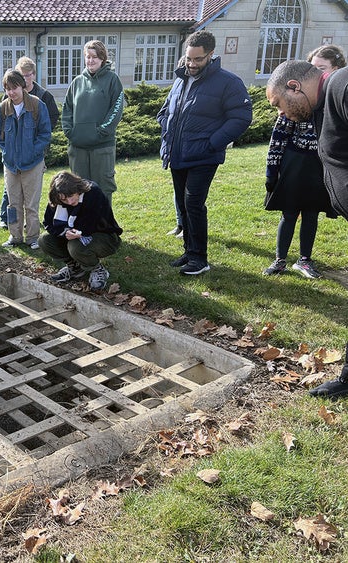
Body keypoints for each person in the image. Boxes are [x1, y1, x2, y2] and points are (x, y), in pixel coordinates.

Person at [266, 60, 348, 398]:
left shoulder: (342, 86)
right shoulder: (322, 104)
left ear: (294, 87)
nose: (282, 113)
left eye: (279, 103)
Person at [157, 30, 252, 275]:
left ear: (211, 55)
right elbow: (168, 108)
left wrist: (213, 143)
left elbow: (241, 118)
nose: (191, 64)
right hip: (177, 154)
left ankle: (200, 259)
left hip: (204, 156)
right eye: (188, 58)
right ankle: (189, 251)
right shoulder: (181, 78)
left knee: (194, 203)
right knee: (183, 203)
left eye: (197, 59)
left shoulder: (228, 82)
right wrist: (164, 127)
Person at [262, 46, 345, 278]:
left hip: (317, 167)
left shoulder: (336, 97)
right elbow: (278, 139)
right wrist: (272, 170)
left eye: (322, 69)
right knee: (289, 213)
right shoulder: (299, 108)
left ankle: (304, 259)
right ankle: (280, 259)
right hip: (295, 164)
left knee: (311, 213)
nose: (280, 112)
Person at [0, 69, 51, 250]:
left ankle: (33, 237)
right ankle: (15, 236)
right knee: (13, 203)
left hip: (33, 164)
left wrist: (33, 152)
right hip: (10, 165)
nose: (11, 92)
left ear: (22, 86)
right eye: (7, 89)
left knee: (31, 204)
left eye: (14, 87)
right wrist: (6, 150)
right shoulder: (2, 108)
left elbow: (45, 133)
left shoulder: (37, 105)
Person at [0, 56, 59, 228]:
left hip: (34, 153)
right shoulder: (7, 98)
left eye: (28, 75)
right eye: (21, 75)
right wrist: (7, 147)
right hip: (13, 155)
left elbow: (51, 120)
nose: (25, 78)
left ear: (33, 75)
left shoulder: (43, 97)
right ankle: (8, 222)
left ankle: (31, 229)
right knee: (10, 192)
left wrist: (35, 142)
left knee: (31, 193)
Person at [61, 40, 124, 207]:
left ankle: (104, 230)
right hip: (78, 148)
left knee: (103, 190)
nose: (90, 61)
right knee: (78, 190)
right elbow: (67, 109)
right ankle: (81, 228)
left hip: (102, 147)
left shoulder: (112, 80)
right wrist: (70, 132)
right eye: (87, 57)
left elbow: (116, 109)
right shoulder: (77, 82)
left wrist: (101, 131)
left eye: (94, 57)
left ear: (102, 58)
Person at [38, 171, 122, 292]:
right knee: (44, 240)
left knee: (75, 246)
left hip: (103, 234)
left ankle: (97, 269)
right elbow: (48, 223)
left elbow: (96, 221)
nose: (70, 202)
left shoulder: (93, 192)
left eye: (71, 196)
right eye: (64, 200)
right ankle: (75, 267)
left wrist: (80, 232)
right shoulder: (58, 199)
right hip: (73, 234)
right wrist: (63, 232)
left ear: (77, 188)